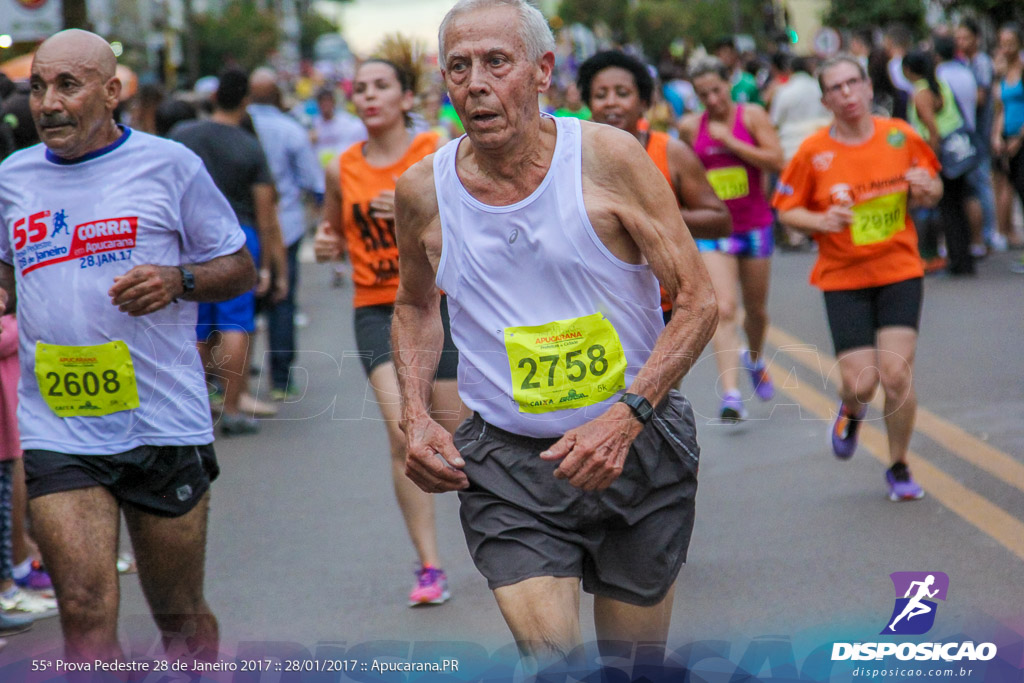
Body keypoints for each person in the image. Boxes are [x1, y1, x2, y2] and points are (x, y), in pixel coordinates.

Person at [392, 0, 716, 674]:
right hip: (509, 467)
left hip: (639, 446)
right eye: (458, 66)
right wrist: (416, 418)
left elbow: (696, 300)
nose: (475, 82)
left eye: (495, 62)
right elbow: (415, 306)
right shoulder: (423, 191)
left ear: (542, 71)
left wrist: (629, 415)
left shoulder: (607, 158)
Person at [0, 29, 257, 661]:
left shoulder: (170, 166)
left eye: (67, 85)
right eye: (37, 88)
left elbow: (239, 268)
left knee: (179, 617)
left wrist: (178, 280)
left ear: (111, 92)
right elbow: (7, 273)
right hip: (59, 426)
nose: (47, 104)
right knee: (85, 613)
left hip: (162, 423)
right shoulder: (12, 176)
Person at [313, 57, 464, 607]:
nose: (370, 95)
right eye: (363, 88)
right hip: (377, 308)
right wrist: (327, 246)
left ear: (406, 97)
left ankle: (514, 528)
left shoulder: (434, 151)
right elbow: (331, 230)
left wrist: (413, 212)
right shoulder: (342, 166)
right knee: (404, 431)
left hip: (438, 305)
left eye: (383, 86)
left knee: (460, 435)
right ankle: (429, 566)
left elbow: (467, 227)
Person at [773, 55, 942, 501]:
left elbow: (932, 184)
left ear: (869, 87)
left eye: (853, 83)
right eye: (836, 88)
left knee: (896, 376)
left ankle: (899, 465)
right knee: (863, 382)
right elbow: (786, 209)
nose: (847, 94)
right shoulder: (814, 152)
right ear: (826, 99)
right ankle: (851, 408)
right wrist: (819, 220)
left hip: (899, 268)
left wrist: (928, 189)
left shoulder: (899, 136)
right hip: (843, 276)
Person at [171, 68, 287, 434]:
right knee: (236, 323)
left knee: (198, 325)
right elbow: (266, 213)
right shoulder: (249, 146)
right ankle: (232, 408)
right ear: (245, 101)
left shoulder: (183, 136)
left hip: (191, 238)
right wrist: (268, 266)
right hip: (238, 235)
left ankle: (196, 406)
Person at [577, 49, 731, 321]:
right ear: (589, 103)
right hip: (597, 306)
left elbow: (720, 220)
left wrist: (656, 217)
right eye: (601, 95)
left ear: (644, 102)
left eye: (622, 93)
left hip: (664, 306)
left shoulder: (672, 152)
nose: (611, 103)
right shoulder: (572, 155)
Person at [679, 58, 784, 422]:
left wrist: (733, 144)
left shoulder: (751, 116)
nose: (712, 99)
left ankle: (754, 358)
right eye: (702, 94)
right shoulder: (691, 128)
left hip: (754, 226)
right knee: (724, 308)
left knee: (755, 311)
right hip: (716, 232)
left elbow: (776, 160)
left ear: (730, 86)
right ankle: (732, 394)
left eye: (717, 90)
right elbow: (685, 175)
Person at [247, 68, 325, 401]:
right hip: (285, 228)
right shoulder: (290, 130)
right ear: (277, 94)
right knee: (281, 301)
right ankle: (280, 381)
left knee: (239, 304)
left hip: (243, 230)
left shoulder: (237, 129)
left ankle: (227, 384)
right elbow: (312, 180)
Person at [902, 49, 975, 276]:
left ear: (909, 70)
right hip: (959, 152)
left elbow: (933, 131)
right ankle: (964, 258)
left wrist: (930, 163)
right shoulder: (940, 84)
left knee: (949, 210)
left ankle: (957, 261)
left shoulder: (921, 92)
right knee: (958, 207)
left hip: (943, 155)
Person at [955, 19, 999, 254]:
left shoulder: (980, 62)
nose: (961, 42)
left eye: (965, 37)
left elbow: (981, 99)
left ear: (976, 38)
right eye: (958, 38)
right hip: (973, 134)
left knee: (981, 183)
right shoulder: (965, 62)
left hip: (980, 132)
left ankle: (989, 235)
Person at [991, 23, 1024, 261]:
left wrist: (1020, 138)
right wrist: (996, 134)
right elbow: (1000, 109)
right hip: (1008, 139)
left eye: (1010, 42)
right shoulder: (1002, 72)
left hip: (1021, 138)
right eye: (1002, 42)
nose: (1006, 47)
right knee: (1013, 188)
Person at [311, 86, 367, 170]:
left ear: (333, 102)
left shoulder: (347, 121)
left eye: (328, 101)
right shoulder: (313, 124)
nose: (325, 104)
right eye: (322, 101)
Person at [714, 36, 763, 105]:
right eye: (721, 54)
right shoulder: (714, 85)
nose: (725, 57)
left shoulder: (749, 82)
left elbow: (759, 108)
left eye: (729, 53)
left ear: (735, 54)